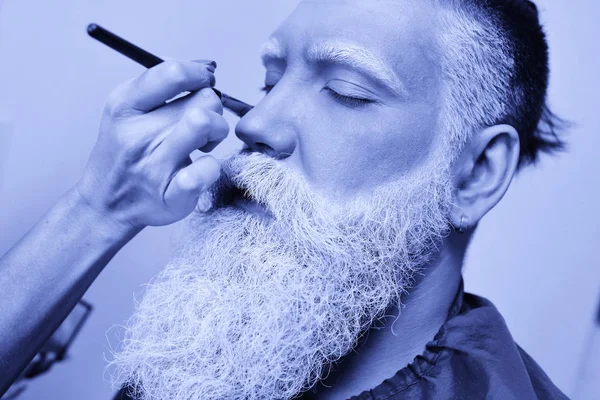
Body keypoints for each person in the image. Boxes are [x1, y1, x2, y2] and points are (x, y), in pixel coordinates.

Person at [0, 0, 570, 398]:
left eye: (346, 93)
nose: (258, 123)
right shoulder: (230, 339)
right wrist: (97, 211)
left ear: (474, 173)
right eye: (270, 83)